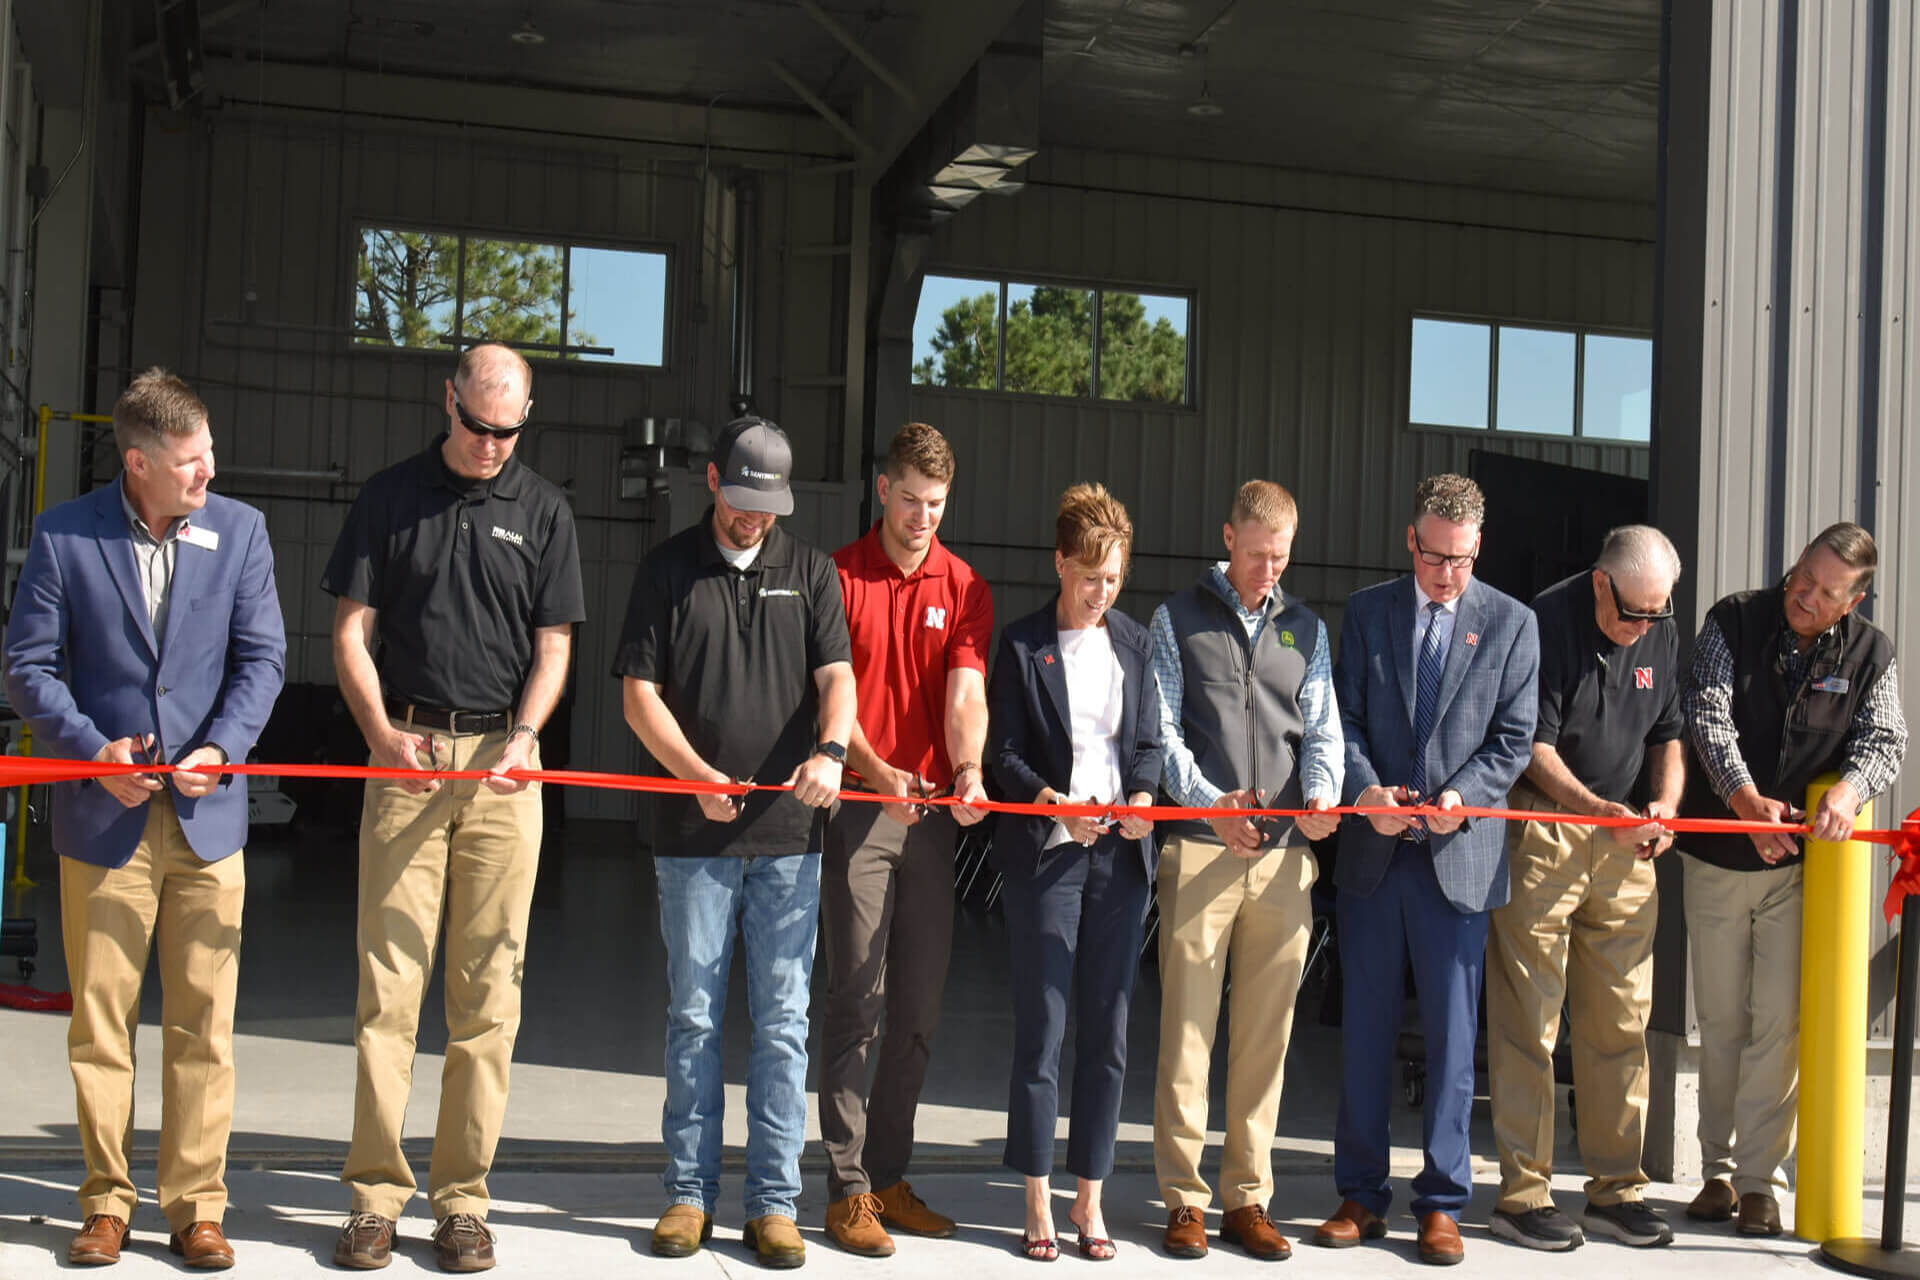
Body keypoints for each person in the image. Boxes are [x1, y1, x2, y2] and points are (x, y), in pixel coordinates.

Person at [4, 368, 286, 1270]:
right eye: (191, 463)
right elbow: (28, 666)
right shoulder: (63, 536)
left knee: (206, 1021)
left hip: (208, 816)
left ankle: (198, 1203)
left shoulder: (241, 531)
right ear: (139, 464)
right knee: (102, 1023)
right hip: (104, 816)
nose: (209, 472)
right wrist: (91, 750)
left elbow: (264, 658)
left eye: (208, 455)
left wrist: (224, 748)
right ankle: (106, 1201)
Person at [324, 343, 585, 1272]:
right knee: (388, 990)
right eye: (477, 427)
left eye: (509, 432)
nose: (490, 446)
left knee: (489, 996)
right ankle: (372, 1199)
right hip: (407, 756)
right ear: (449, 403)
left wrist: (525, 735)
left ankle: (464, 1200)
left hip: (506, 770)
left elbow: (554, 646)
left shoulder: (546, 511)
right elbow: (350, 633)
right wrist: (381, 735)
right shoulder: (391, 498)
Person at [616, 415, 855, 1270]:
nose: (754, 518)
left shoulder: (812, 572)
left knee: (785, 1024)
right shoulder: (666, 571)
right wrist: (694, 775)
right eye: (742, 499)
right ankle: (688, 1194)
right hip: (693, 840)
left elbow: (837, 677)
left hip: (791, 839)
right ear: (713, 480)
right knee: (693, 1018)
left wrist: (831, 751)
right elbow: (639, 693)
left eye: (769, 506)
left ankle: (774, 1204)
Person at [1316, 473, 1538, 1266]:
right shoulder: (1368, 613)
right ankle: (1359, 1194)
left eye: (1464, 560)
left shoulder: (1513, 624)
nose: (1448, 574)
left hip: (1459, 858)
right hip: (1376, 857)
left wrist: (1462, 796)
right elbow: (1338, 717)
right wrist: (1365, 789)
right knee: (1365, 1037)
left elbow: (1513, 740)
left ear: (1478, 549)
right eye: (1436, 557)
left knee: (1452, 1042)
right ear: (1411, 541)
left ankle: (1442, 1203)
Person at [1678, 521, 1907, 1237]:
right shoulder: (1733, 618)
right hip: (1719, 854)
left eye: (1824, 591)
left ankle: (1758, 1183)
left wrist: (1849, 792)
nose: (1802, 595)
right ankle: (1713, 1170)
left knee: (1777, 1025)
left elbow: (1885, 739)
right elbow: (1707, 714)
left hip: (1799, 872)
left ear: (1854, 599)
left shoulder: (1873, 654)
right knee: (1719, 1020)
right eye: (1800, 577)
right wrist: (1745, 801)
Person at [1147, 479, 1343, 1261]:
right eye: (1259, 554)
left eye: (1283, 557)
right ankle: (1184, 1199)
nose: (1270, 570)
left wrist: (1324, 792)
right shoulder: (1176, 620)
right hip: (1200, 847)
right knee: (1187, 1033)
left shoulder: (1306, 629)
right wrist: (1208, 803)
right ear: (1229, 538)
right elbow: (1161, 732)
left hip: (1287, 859)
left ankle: (1247, 1197)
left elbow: (1321, 725)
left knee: (1267, 1039)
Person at [1485, 526, 1686, 1252]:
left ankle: (1616, 1187)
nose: (1643, 629)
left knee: (1621, 1023)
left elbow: (1670, 730)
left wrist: (1663, 805)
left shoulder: (1657, 624)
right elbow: (1530, 744)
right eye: (1632, 613)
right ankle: (1524, 1192)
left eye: (1656, 615)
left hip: (1631, 840)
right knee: (1529, 1021)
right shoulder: (1542, 623)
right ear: (1601, 583)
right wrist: (1591, 810)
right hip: (1548, 831)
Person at [819, 424, 993, 1256]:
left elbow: (965, 693)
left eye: (938, 505)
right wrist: (878, 770)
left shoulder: (963, 586)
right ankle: (845, 1186)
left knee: (918, 1009)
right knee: (856, 999)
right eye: (911, 500)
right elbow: (834, 700)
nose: (923, 517)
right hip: (860, 807)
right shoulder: (837, 577)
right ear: (883, 489)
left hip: (931, 820)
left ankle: (889, 1176)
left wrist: (968, 769)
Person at [986, 483, 1162, 1262]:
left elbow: (1150, 744)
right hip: (1049, 858)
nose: (1101, 593)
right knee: (1045, 1028)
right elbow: (1003, 757)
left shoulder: (1134, 642)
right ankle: (1035, 1195)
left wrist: (1143, 797)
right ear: (1060, 564)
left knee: (1111, 1034)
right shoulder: (1023, 646)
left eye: (1114, 578)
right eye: (1090, 577)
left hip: (1120, 858)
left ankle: (1089, 1197)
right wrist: (1053, 802)